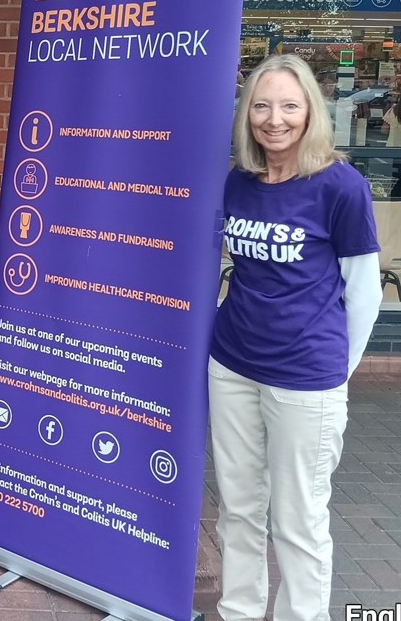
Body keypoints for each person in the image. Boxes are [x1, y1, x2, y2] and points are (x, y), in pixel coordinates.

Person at [208, 54, 383, 621]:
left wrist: (337, 368)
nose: (274, 119)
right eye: (261, 105)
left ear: (311, 110)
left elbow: (364, 291)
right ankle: (240, 612)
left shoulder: (341, 186)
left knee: (298, 521)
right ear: (246, 114)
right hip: (232, 365)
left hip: (306, 380)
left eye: (289, 105)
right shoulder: (238, 181)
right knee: (238, 510)